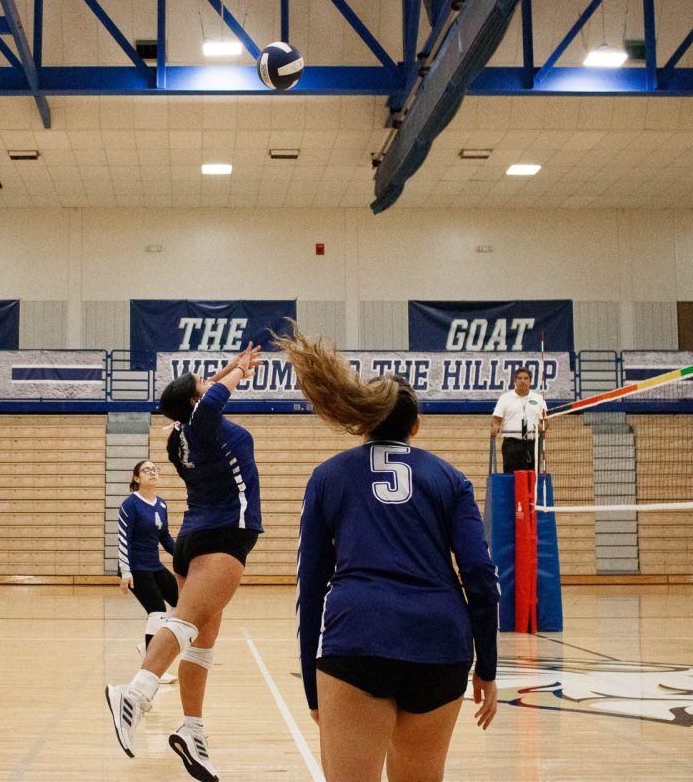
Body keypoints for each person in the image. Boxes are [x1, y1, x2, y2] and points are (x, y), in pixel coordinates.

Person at [277, 325, 499, 782]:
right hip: (441, 643)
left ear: (362, 420)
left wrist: (312, 681)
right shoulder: (451, 479)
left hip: (358, 638)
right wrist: (488, 667)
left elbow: (310, 587)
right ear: (415, 425)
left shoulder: (328, 477)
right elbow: (480, 574)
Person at [106, 343, 264, 782]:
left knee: (202, 640)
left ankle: (192, 730)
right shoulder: (206, 423)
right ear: (197, 402)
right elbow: (215, 395)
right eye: (202, 384)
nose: (210, 383)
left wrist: (230, 367)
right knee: (186, 621)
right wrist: (232, 374)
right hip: (222, 537)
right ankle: (134, 693)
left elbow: (205, 392)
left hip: (193, 536)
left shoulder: (180, 436)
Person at [118, 459, 178, 684]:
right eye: (146, 470)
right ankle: (154, 670)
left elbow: (165, 538)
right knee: (157, 611)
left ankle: (146, 645)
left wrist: (184, 556)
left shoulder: (161, 504)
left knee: (181, 604)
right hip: (135, 566)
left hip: (154, 564)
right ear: (136, 478)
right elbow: (123, 539)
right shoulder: (130, 505)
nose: (152, 473)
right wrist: (126, 572)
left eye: (155, 470)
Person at [490, 367, 547, 473]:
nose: (522, 381)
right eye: (519, 378)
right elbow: (496, 419)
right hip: (511, 444)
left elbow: (545, 421)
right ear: (514, 381)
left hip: (532, 444)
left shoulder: (539, 398)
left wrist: (543, 426)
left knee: (531, 477)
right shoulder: (505, 398)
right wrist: (495, 426)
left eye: (526, 378)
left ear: (530, 381)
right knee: (511, 476)